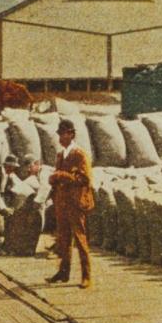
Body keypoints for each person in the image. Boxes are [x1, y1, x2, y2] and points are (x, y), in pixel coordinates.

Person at [46, 119, 94, 288]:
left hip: (76, 202)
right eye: (59, 134)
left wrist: (61, 176)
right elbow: (58, 175)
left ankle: (86, 276)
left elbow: (85, 178)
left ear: (71, 135)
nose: (60, 137)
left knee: (80, 238)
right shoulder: (61, 154)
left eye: (63, 134)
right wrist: (53, 178)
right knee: (63, 238)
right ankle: (63, 272)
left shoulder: (79, 154)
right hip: (62, 202)